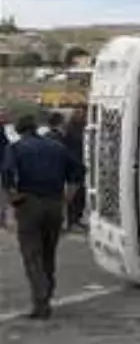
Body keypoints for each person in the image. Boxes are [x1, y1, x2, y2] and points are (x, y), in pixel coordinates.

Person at [1, 113, 85, 319]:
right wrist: (66, 199)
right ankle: (47, 289)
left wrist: (13, 198)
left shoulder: (16, 148)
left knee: (32, 253)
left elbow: (7, 175)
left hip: (29, 202)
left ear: (20, 130)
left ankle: (41, 299)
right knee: (49, 251)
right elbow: (78, 172)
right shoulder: (57, 147)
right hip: (54, 203)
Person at [63, 108, 86, 231]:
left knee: (81, 194)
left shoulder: (84, 128)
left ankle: (77, 218)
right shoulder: (70, 130)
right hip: (73, 166)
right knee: (74, 195)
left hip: (82, 164)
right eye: (78, 113)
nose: (81, 115)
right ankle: (72, 221)